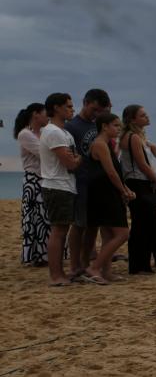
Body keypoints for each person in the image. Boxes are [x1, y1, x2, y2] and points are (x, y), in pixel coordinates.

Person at [65, 88, 112, 278]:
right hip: (81, 182)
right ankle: (75, 264)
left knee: (93, 225)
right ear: (85, 103)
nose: (97, 114)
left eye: (101, 111)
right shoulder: (72, 127)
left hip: (98, 184)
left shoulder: (98, 124)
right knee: (79, 225)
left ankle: (86, 262)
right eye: (94, 109)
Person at [82, 113, 134, 284]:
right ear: (104, 126)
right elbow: (110, 172)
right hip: (104, 194)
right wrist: (123, 191)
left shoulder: (106, 145)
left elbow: (115, 172)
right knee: (122, 233)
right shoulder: (99, 144)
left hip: (107, 192)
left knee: (107, 234)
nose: (118, 129)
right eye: (115, 125)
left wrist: (125, 188)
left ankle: (106, 271)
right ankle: (94, 267)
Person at [120, 105, 156, 273]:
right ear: (132, 119)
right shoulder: (133, 137)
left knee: (151, 222)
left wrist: (152, 146)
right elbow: (142, 164)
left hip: (138, 182)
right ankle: (139, 265)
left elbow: (149, 158)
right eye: (142, 115)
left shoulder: (137, 137)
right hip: (138, 183)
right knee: (142, 225)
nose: (147, 117)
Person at [40, 93, 82, 286]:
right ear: (56, 108)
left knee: (62, 229)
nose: (72, 109)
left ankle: (60, 274)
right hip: (57, 185)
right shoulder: (53, 132)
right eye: (68, 106)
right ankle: (56, 275)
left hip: (65, 185)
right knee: (58, 230)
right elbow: (71, 162)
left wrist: (75, 159)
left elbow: (72, 158)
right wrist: (78, 159)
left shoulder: (64, 132)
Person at [14, 103, 50, 266]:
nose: (47, 117)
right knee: (33, 219)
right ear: (35, 114)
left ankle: (45, 255)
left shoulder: (42, 133)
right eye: (45, 114)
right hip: (33, 180)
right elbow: (44, 152)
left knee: (44, 218)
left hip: (43, 179)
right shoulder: (25, 134)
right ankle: (35, 256)